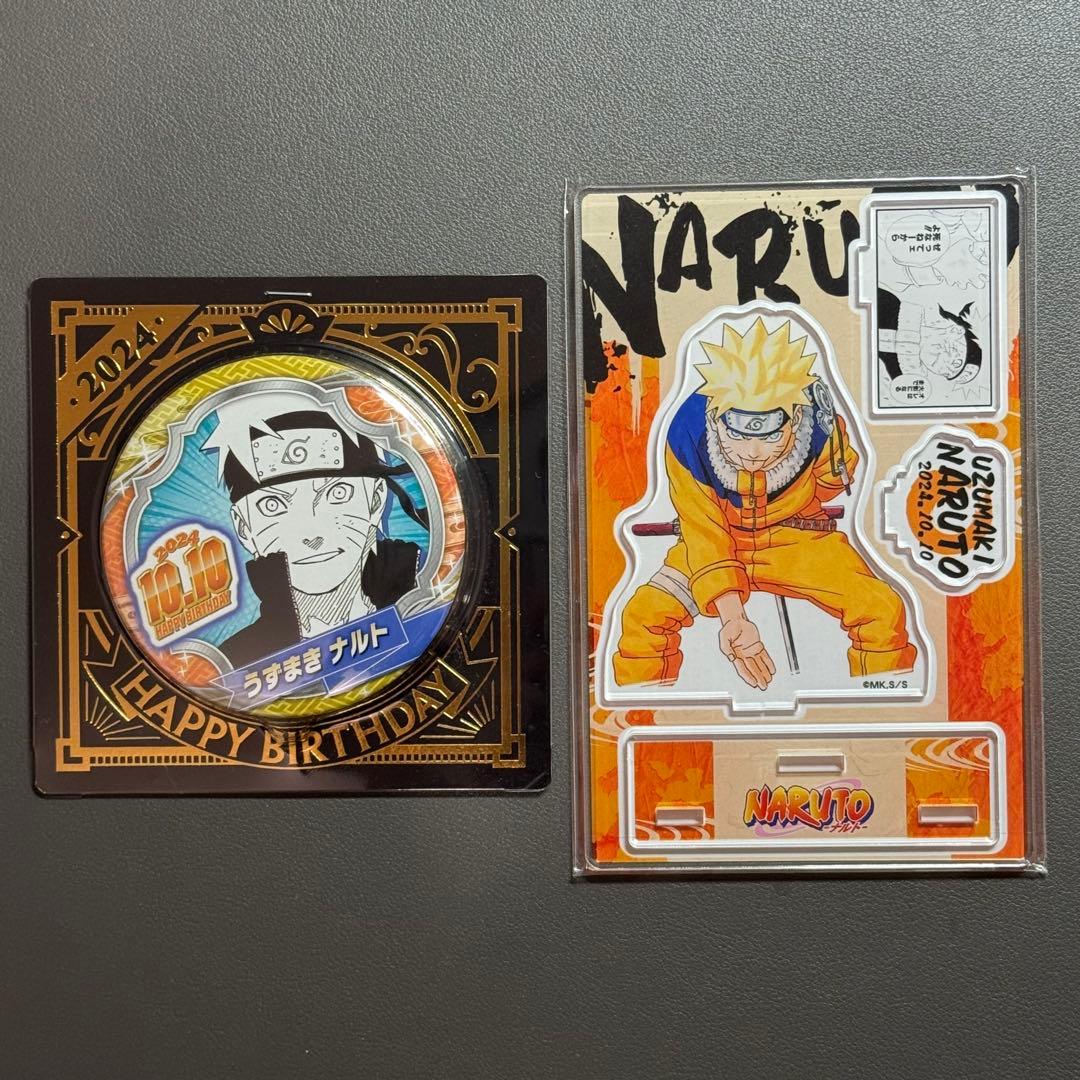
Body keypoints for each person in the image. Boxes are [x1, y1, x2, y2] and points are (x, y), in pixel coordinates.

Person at [614, 317, 917, 691]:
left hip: (800, 540)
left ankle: (880, 705)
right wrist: (733, 619)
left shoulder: (819, 425)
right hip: (715, 541)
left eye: (772, 435)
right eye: (737, 435)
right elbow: (702, 529)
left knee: (881, 609)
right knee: (643, 617)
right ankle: (643, 711)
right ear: (715, 418)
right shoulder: (686, 434)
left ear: (795, 418)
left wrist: (834, 446)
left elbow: (833, 485)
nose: (754, 453)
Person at [201, 388, 427, 669]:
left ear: (376, 499)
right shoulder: (231, 662)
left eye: (338, 493)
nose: (311, 534)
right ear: (244, 527)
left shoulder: (430, 602)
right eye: (272, 505)